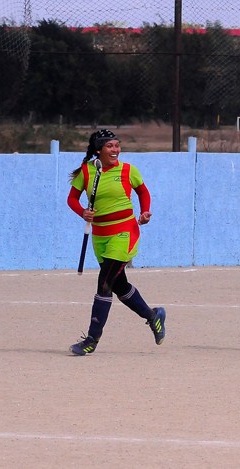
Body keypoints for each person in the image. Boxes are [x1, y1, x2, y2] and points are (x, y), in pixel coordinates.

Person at [66, 129, 166, 355]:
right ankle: (153, 316)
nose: (115, 150)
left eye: (117, 146)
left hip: (125, 232)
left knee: (104, 283)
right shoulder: (86, 172)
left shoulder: (128, 170)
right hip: (100, 236)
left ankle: (92, 339)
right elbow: (72, 198)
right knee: (120, 286)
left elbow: (143, 191)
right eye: (110, 146)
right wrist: (83, 212)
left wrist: (145, 211)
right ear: (99, 150)